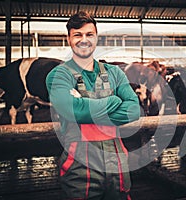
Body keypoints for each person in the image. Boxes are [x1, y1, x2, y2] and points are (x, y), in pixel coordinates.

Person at [46, 11, 140, 200]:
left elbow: (133, 110)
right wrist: (114, 101)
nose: (84, 40)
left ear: (96, 37)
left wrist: (85, 107)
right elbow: (71, 110)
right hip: (79, 162)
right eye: (77, 35)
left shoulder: (115, 73)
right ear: (69, 39)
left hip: (116, 160)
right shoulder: (59, 75)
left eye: (89, 34)